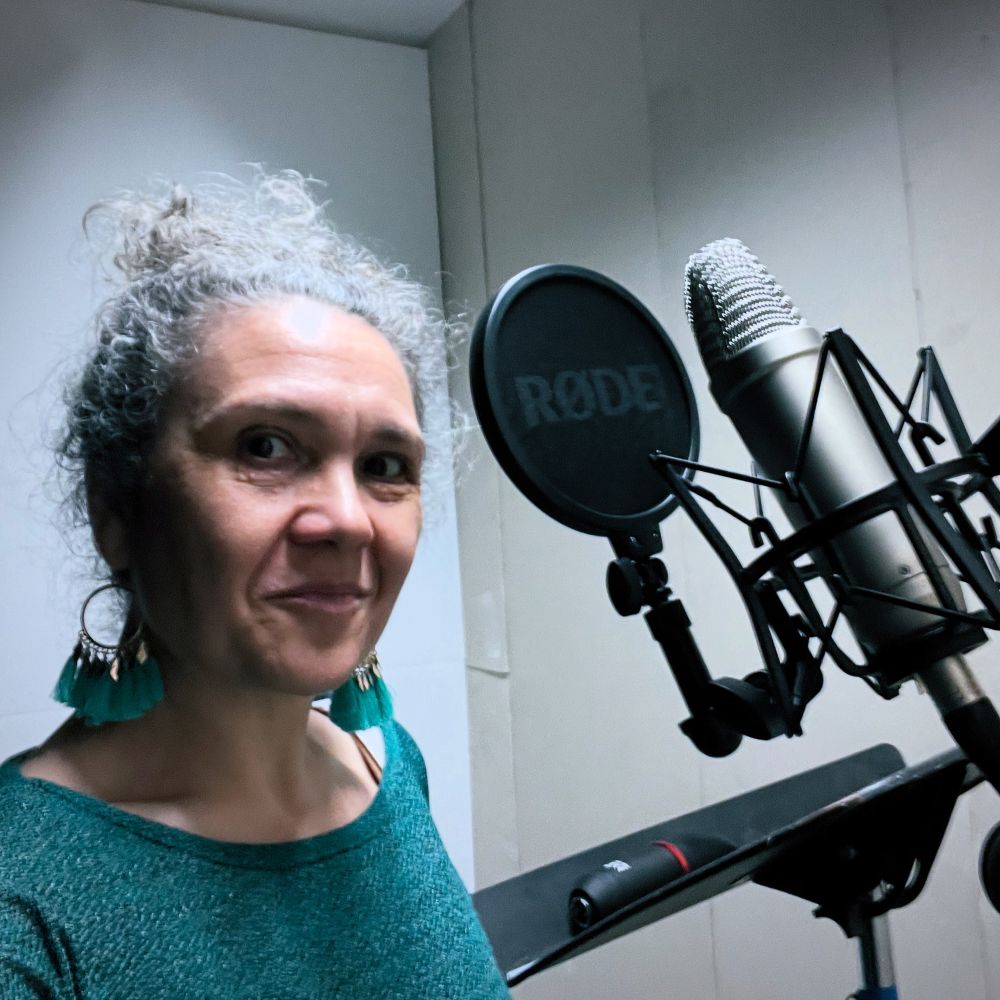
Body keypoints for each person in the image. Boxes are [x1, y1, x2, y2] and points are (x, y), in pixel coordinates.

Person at [0, 169, 511, 998]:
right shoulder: (23, 906)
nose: (348, 519)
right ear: (116, 508)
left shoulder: (387, 768)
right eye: (265, 448)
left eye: (386, 466)